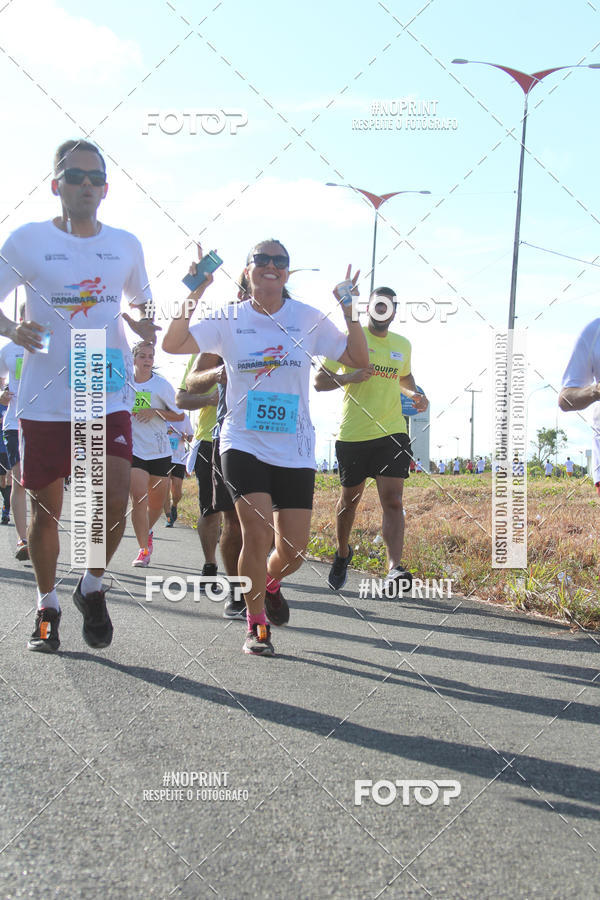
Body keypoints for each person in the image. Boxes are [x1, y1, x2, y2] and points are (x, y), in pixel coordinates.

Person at [162, 240, 369, 655]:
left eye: (280, 261)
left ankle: (271, 581)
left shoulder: (307, 318)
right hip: (242, 441)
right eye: (262, 260)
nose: (271, 266)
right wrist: (196, 289)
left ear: (287, 273)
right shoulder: (228, 319)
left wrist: (349, 311)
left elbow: (356, 359)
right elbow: (173, 344)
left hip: (294, 446)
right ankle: (256, 623)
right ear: (247, 271)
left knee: (293, 549)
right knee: (254, 534)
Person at [0, 139, 157, 652]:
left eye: (95, 177)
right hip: (44, 396)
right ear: (56, 185)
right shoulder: (25, 241)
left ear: (106, 188)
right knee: (48, 512)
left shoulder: (126, 245)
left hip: (104, 388)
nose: (86, 185)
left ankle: (92, 583)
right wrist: (10, 328)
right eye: (75, 176)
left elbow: (145, 306)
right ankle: (47, 604)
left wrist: (146, 325)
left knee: (111, 500)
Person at [315, 286, 428, 596]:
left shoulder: (402, 345)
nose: (383, 310)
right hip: (354, 433)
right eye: (378, 305)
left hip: (392, 432)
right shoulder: (349, 340)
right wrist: (349, 378)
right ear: (368, 309)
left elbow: (403, 378)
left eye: (389, 306)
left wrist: (415, 394)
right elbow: (319, 381)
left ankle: (393, 569)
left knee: (393, 500)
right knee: (348, 502)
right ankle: (341, 552)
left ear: (394, 310)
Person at [130, 341, 184, 566]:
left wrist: (155, 411)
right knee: (138, 499)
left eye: (150, 356)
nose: (147, 360)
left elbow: (179, 416)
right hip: (133, 449)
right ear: (134, 359)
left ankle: (148, 532)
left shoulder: (161, 386)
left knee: (155, 503)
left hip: (159, 450)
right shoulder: (123, 382)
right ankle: (143, 549)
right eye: (142, 356)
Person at [0, 316, 28, 556]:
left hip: (44, 420)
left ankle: (41, 534)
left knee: (44, 484)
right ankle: (23, 540)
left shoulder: (50, 345)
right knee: (19, 478)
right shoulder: (8, 349)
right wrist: (1, 394)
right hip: (14, 423)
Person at [163, 413, 193, 526]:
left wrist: (186, 437)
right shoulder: (163, 415)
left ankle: (174, 505)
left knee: (176, 490)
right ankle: (168, 516)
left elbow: (191, 437)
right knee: (165, 487)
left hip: (179, 458)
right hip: (164, 456)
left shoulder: (184, 417)